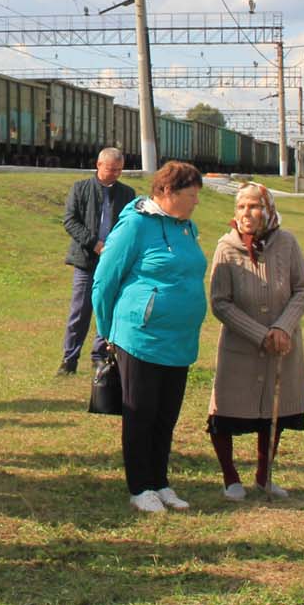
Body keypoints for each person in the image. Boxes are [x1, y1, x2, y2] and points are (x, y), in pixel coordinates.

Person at [92, 160, 210, 514]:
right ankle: (140, 486)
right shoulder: (136, 225)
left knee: (166, 415)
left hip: (179, 341)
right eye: (191, 195)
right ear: (167, 192)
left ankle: (160, 482)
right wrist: (107, 332)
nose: (196, 202)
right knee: (141, 413)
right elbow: (104, 281)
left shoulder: (187, 227)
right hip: (139, 337)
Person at [207, 182, 304, 501]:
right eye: (240, 207)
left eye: (253, 206)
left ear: (267, 209)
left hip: (282, 346)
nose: (246, 213)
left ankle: (264, 476)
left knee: (273, 412)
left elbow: (302, 289)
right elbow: (220, 302)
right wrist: (259, 335)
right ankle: (230, 478)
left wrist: (282, 328)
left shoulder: (288, 243)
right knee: (224, 412)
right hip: (240, 347)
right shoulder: (226, 247)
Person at [59, 148, 135, 375]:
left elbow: (130, 225)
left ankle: (100, 356)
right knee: (80, 312)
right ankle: (69, 360)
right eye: (111, 169)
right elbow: (70, 221)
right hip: (85, 260)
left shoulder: (127, 194)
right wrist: (95, 244)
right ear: (99, 165)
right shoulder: (80, 188)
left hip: (114, 264)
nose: (115, 174)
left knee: (107, 310)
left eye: (119, 170)